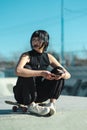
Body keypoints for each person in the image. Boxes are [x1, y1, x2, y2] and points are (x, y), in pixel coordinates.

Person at [13, 30, 71, 116]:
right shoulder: (26, 55)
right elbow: (18, 71)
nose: (35, 42)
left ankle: (51, 104)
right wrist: (41, 73)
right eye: (33, 40)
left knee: (59, 70)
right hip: (23, 94)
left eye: (38, 40)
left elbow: (68, 74)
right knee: (27, 68)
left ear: (45, 41)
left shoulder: (49, 57)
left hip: (39, 95)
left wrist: (61, 75)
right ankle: (31, 105)